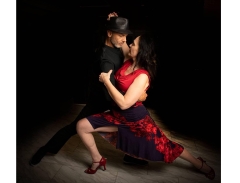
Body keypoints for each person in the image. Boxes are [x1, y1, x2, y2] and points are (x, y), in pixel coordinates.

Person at [76, 33, 215, 180]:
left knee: (166, 146)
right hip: (116, 116)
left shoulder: (142, 75)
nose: (129, 44)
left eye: (133, 44)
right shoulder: (129, 60)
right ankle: (98, 160)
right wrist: (115, 22)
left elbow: (124, 104)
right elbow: (122, 42)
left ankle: (200, 164)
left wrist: (107, 81)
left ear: (142, 50)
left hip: (136, 121)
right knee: (82, 126)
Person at [29, 12, 149, 166]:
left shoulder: (116, 44)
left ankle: (131, 155)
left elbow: (122, 46)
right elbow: (108, 93)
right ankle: (46, 149)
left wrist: (112, 22)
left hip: (114, 98)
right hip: (102, 101)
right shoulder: (106, 60)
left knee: (134, 126)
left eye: (125, 35)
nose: (125, 40)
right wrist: (134, 96)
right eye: (121, 35)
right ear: (110, 33)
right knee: (75, 127)